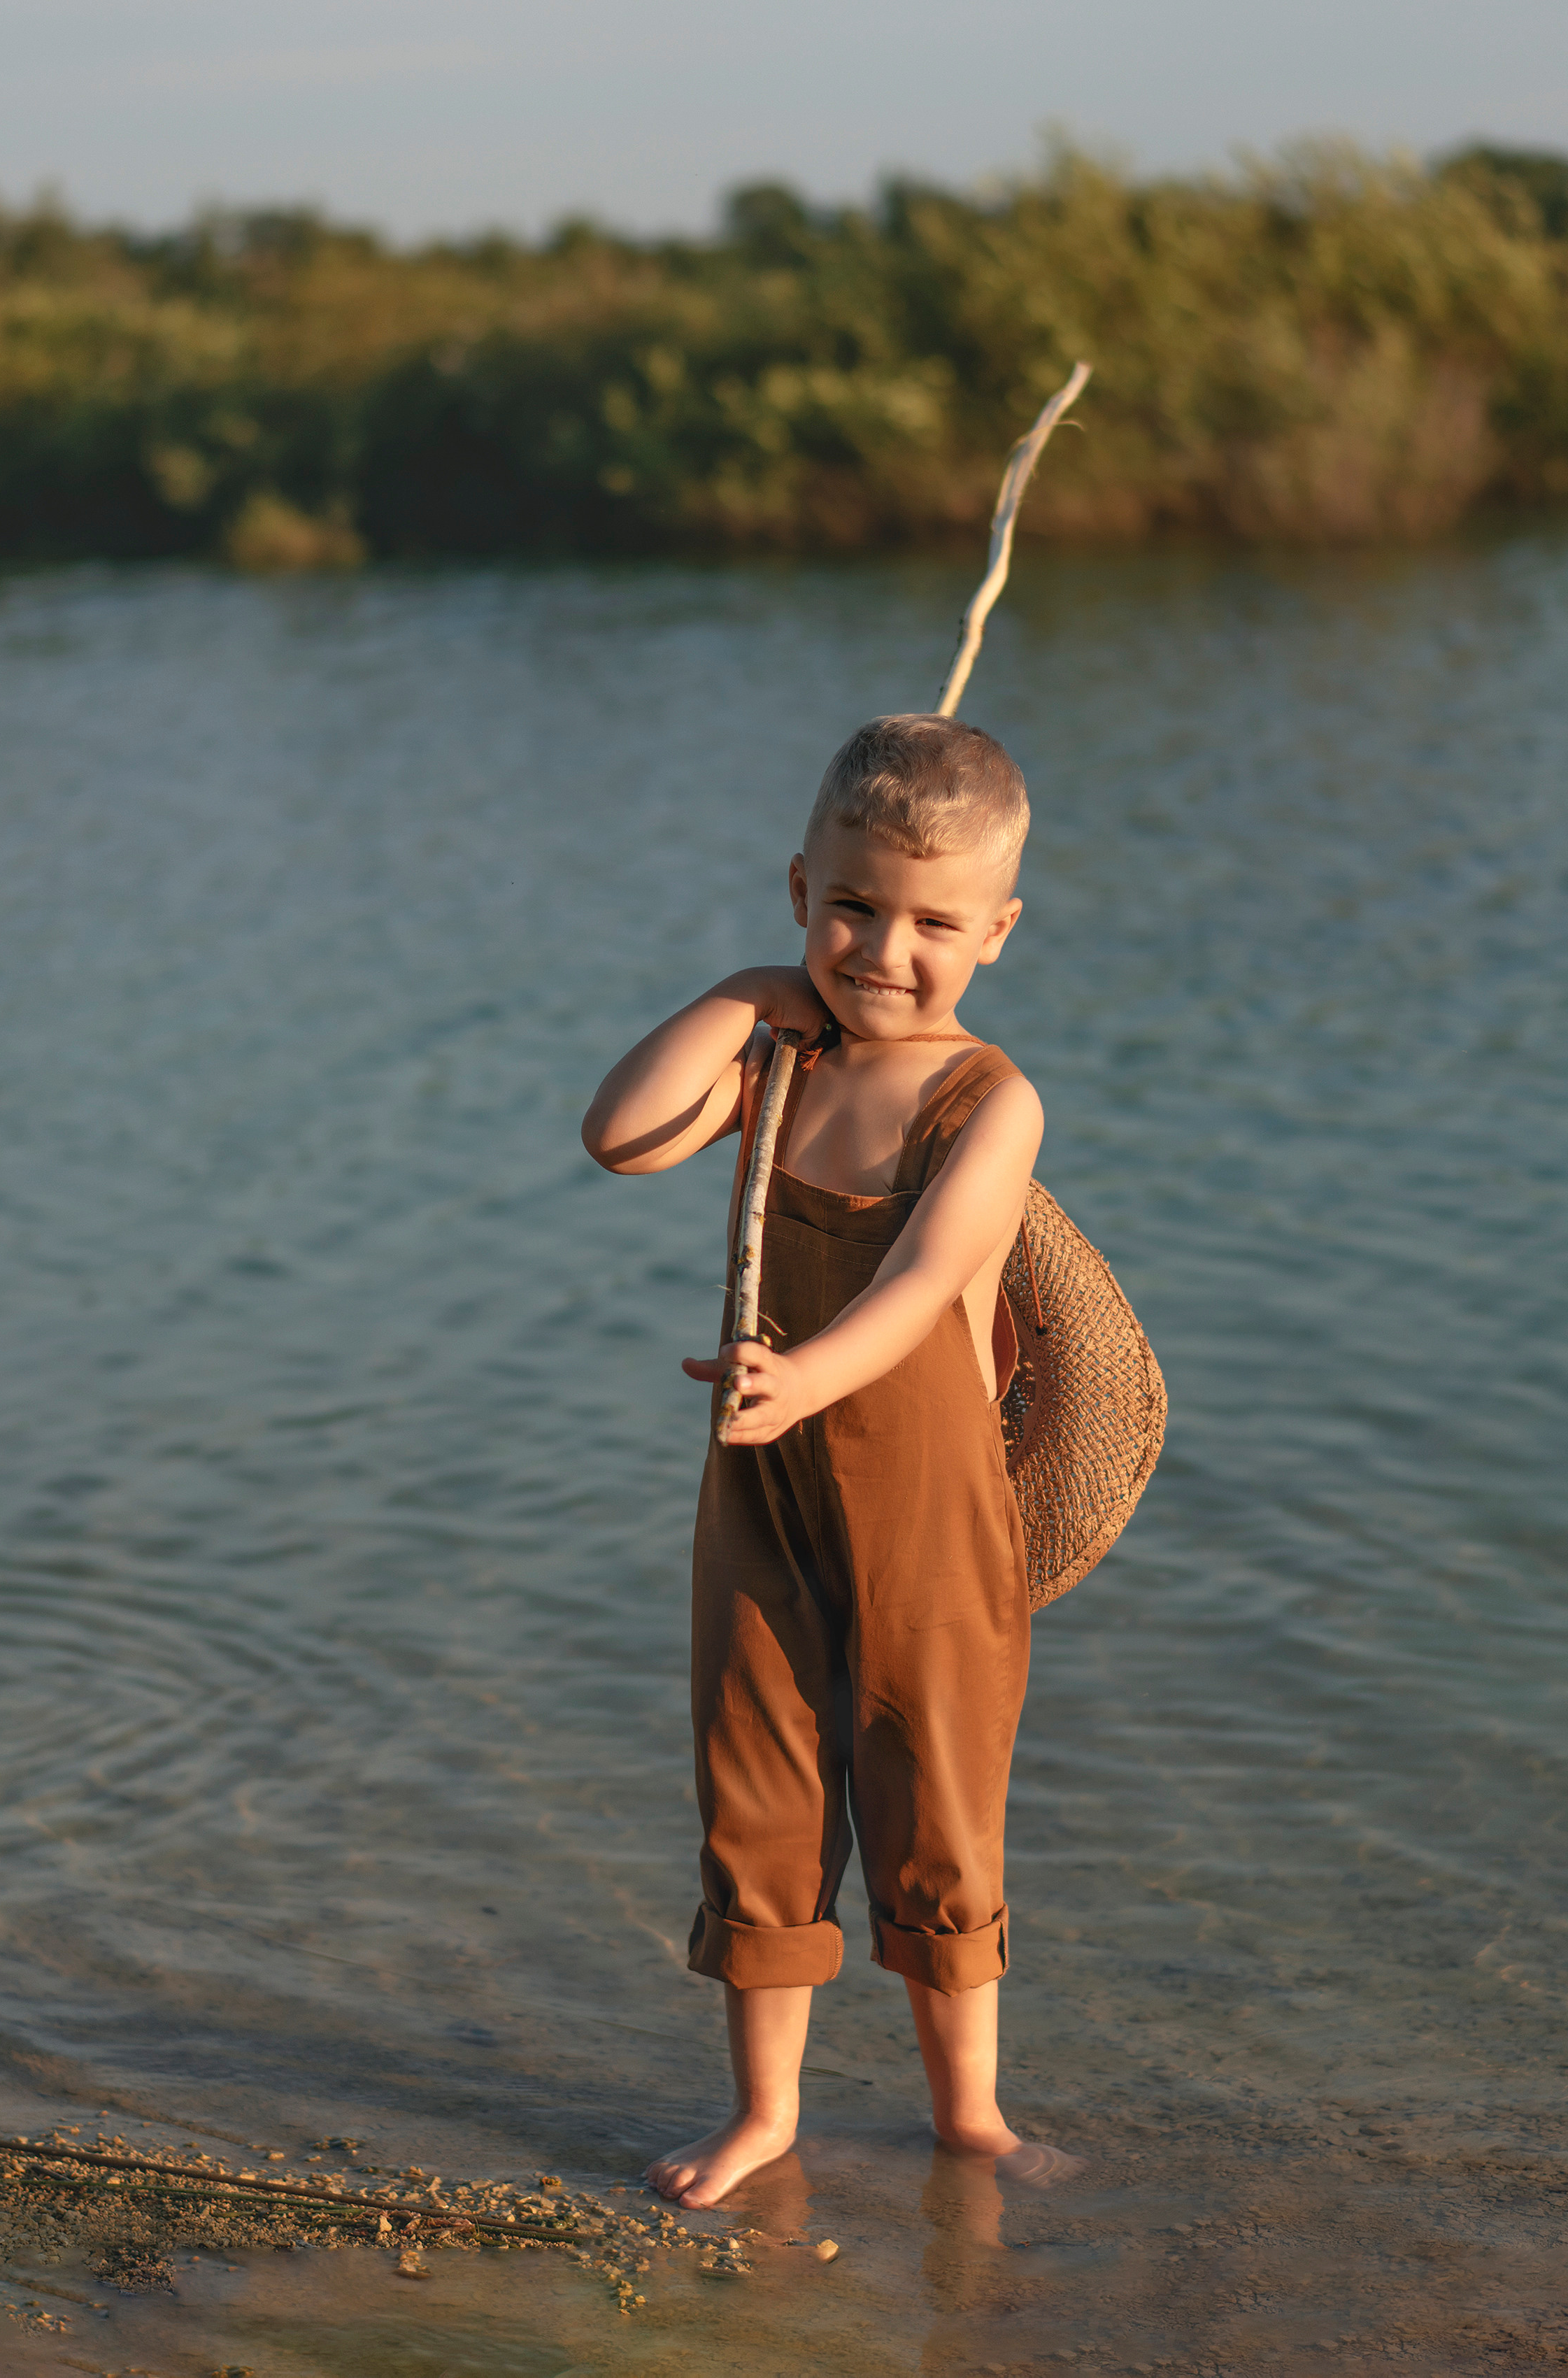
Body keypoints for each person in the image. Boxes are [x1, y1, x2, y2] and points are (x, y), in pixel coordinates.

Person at [582, 713, 1051, 2209]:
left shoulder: (990, 1100)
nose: (884, 948)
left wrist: (806, 1376)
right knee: (760, 1793)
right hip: (763, 1502)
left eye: (932, 922)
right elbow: (622, 1136)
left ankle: (969, 2111)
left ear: (997, 930)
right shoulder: (781, 1066)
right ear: (800, 888)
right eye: (852, 905)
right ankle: (766, 2107)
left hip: (929, 1523)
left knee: (933, 1799)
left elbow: (924, 1281)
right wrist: (739, 997)